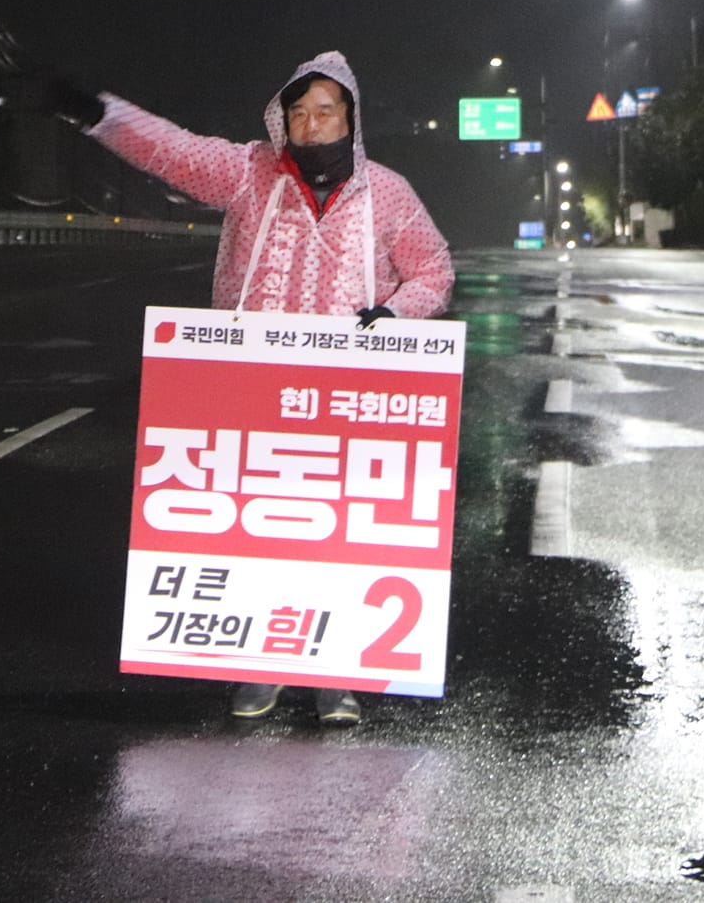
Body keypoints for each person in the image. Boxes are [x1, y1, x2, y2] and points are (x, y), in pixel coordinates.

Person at [42, 50, 454, 727]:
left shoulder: (388, 193)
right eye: (300, 112)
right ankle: (259, 658)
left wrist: (396, 313)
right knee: (261, 523)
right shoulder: (249, 174)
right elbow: (172, 151)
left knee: (336, 528)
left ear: (350, 117)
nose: (312, 124)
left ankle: (335, 673)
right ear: (281, 119)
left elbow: (432, 270)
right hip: (252, 390)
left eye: (326, 111)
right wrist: (99, 116)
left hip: (345, 396)